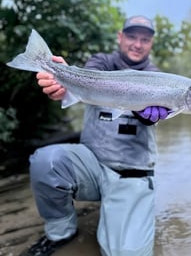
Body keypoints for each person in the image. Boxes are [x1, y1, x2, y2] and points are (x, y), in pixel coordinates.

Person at [21, 15, 171, 256]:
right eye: (132, 36)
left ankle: (121, 211)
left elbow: (147, 116)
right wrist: (62, 79)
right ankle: (61, 233)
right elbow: (85, 80)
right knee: (46, 161)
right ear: (120, 37)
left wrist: (147, 114)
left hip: (131, 173)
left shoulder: (157, 77)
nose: (137, 44)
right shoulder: (101, 62)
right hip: (90, 165)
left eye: (144, 39)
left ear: (151, 43)